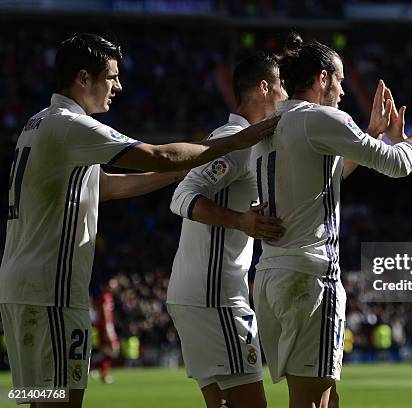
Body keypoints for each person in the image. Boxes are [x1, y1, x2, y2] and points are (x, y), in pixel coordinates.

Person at [0, 33, 277, 408]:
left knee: (38, 396)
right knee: (61, 401)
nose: (118, 86)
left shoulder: (38, 123)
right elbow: (158, 155)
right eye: (111, 76)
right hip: (52, 292)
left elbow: (108, 188)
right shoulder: (72, 126)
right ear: (84, 78)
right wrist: (231, 143)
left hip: (22, 287)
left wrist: (186, 169)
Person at [251, 32, 412, 408]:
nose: (342, 91)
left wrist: (369, 134)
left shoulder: (275, 122)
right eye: (338, 80)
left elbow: (325, 179)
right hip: (310, 277)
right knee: (311, 403)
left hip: (273, 274)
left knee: (325, 398)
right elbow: (400, 163)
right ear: (322, 78)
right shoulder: (320, 118)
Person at [166, 52, 287, 408]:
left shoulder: (244, 141)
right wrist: (241, 221)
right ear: (264, 88)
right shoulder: (235, 141)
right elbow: (182, 196)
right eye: (283, 88)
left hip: (197, 294)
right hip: (215, 297)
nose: (287, 98)